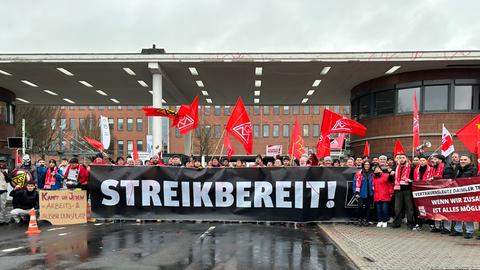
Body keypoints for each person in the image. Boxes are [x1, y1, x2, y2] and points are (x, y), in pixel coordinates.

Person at [449, 155, 476, 239]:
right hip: (457, 194)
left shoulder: (473, 169)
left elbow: (474, 181)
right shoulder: (457, 169)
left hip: (468, 195)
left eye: (465, 159)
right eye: (461, 160)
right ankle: (458, 230)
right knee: (458, 212)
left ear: (469, 161)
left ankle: (469, 231)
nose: (462, 161)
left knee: (468, 213)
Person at [390, 153, 416, 229]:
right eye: (400, 158)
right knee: (397, 208)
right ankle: (397, 223)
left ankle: (410, 223)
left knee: (409, 208)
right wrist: (391, 175)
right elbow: (391, 180)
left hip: (408, 190)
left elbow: (415, 179)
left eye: (403, 157)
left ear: (406, 159)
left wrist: (410, 180)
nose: (401, 159)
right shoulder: (396, 168)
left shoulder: (411, 168)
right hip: (398, 190)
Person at [353, 160, 374, 226]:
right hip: (361, 193)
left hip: (370, 193)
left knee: (368, 208)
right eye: (365, 164)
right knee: (360, 207)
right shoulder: (358, 174)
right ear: (363, 165)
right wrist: (356, 193)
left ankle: (366, 220)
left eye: (368, 164)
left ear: (370, 165)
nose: (367, 166)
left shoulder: (373, 173)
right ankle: (359, 219)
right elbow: (354, 183)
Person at [0, 157, 11, 224]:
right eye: (0, 162)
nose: (1, 163)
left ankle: (1, 220)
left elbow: (9, 180)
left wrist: (4, 173)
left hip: (3, 190)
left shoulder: (6, 170)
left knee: (2, 206)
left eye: (3, 162)